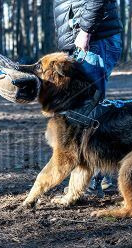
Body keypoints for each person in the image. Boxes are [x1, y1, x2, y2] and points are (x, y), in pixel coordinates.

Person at [53, 0, 123, 196]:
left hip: (94, 41)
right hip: (85, 42)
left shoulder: (89, 34)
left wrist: (85, 31)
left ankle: (92, 179)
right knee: (87, 111)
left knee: (89, 113)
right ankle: (102, 176)